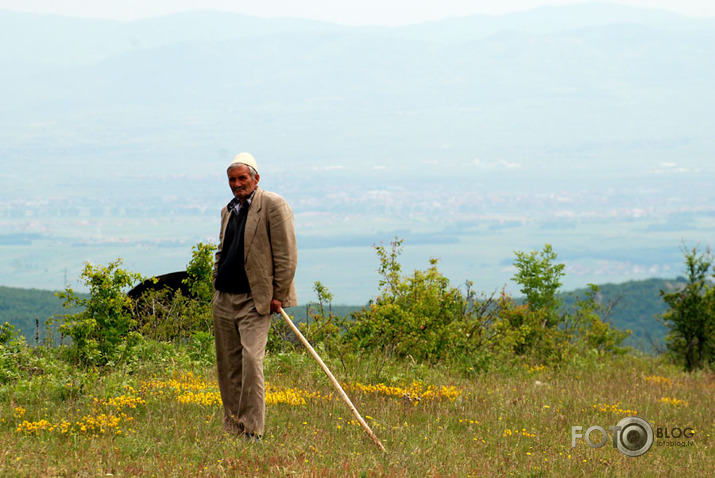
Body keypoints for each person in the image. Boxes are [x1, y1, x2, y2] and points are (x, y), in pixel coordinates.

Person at [212, 152, 298, 440]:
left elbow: (286, 254)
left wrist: (279, 295)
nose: (237, 184)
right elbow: (223, 249)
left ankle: (253, 430)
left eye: (242, 178)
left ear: (256, 178)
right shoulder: (229, 210)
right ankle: (234, 426)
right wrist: (216, 280)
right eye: (232, 180)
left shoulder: (273, 204)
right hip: (225, 299)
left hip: (255, 300)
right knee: (228, 365)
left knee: (251, 361)